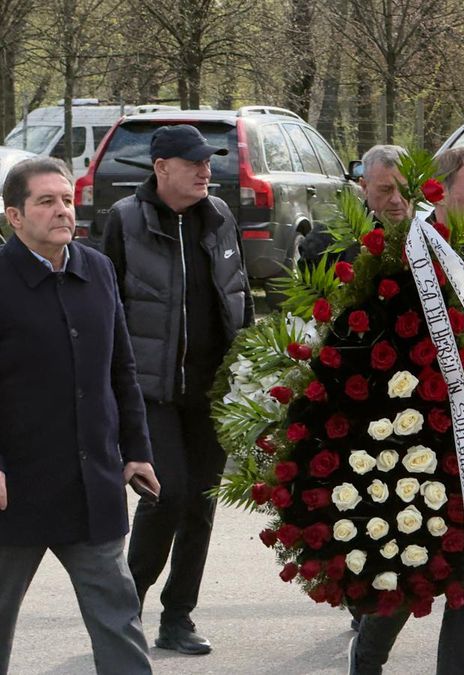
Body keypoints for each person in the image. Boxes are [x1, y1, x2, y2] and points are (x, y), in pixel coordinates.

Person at [348, 146, 464, 675]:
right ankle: (368, 661)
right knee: (407, 574)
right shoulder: (404, 252)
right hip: (415, 442)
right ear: (440, 190)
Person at [0, 157, 159, 674]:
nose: (62, 211)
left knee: (119, 617)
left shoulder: (99, 270)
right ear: (14, 217)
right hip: (12, 491)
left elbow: (122, 370)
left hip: (92, 483)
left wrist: (136, 452)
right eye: (46, 201)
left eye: (66, 200)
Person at [102, 124, 254, 656]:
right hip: (151, 390)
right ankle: (125, 611)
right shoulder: (125, 220)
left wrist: (247, 364)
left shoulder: (220, 216)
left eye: (208, 162)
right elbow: (109, 307)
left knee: (202, 503)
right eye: (194, 163)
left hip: (211, 389)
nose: (206, 171)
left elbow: (239, 295)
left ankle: (178, 617)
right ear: (162, 167)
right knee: (166, 497)